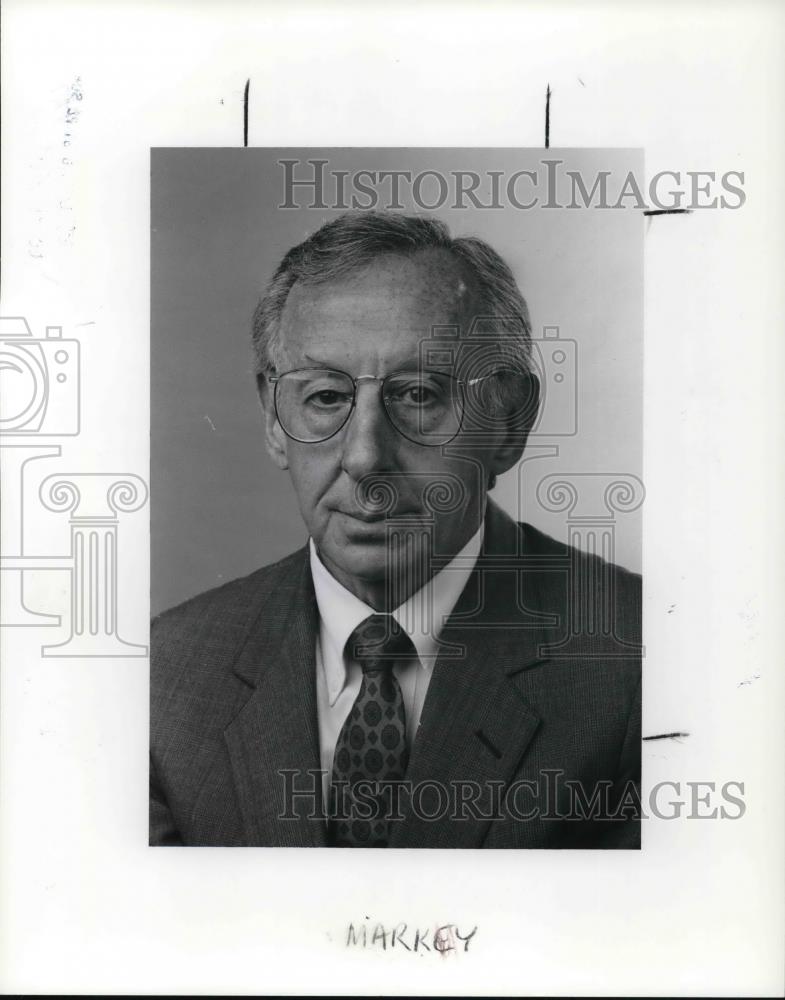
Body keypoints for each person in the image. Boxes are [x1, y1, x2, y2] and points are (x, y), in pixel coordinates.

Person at [150, 211, 641, 848]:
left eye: (416, 394)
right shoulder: (164, 680)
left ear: (511, 419)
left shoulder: (643, 664)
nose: (363, 457)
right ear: (274, 418)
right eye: (326, 396)